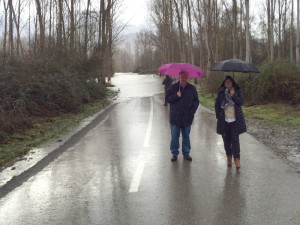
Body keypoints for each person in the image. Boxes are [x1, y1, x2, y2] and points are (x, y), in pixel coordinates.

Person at [166, 71, 199, 162]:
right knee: (174, 137)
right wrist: (176, 95)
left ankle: (186, 153)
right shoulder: (173, 87)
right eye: (182, 77)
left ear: (187, 78)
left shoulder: (192, 88)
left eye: (185, 77)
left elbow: (196, 101)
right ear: (179, 77)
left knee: (186, 136)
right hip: (175, 117)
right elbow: (167, 99)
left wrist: (192, 111)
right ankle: (174, 153)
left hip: (187, 117)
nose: (183, 79)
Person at [214, 75, 246, 169]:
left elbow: (241, 102)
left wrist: (233, 95)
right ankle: (229, 157)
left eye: (229, 81)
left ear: (232, 83)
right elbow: (217, 105)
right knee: (226, 141)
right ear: (224, 83)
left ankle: (237, 159)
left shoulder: (237, 91)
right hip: (224, 121)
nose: (228, 83)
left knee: (235, 141)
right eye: (226, 82)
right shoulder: (221, 93)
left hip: (235, 121)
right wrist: (218, 116)